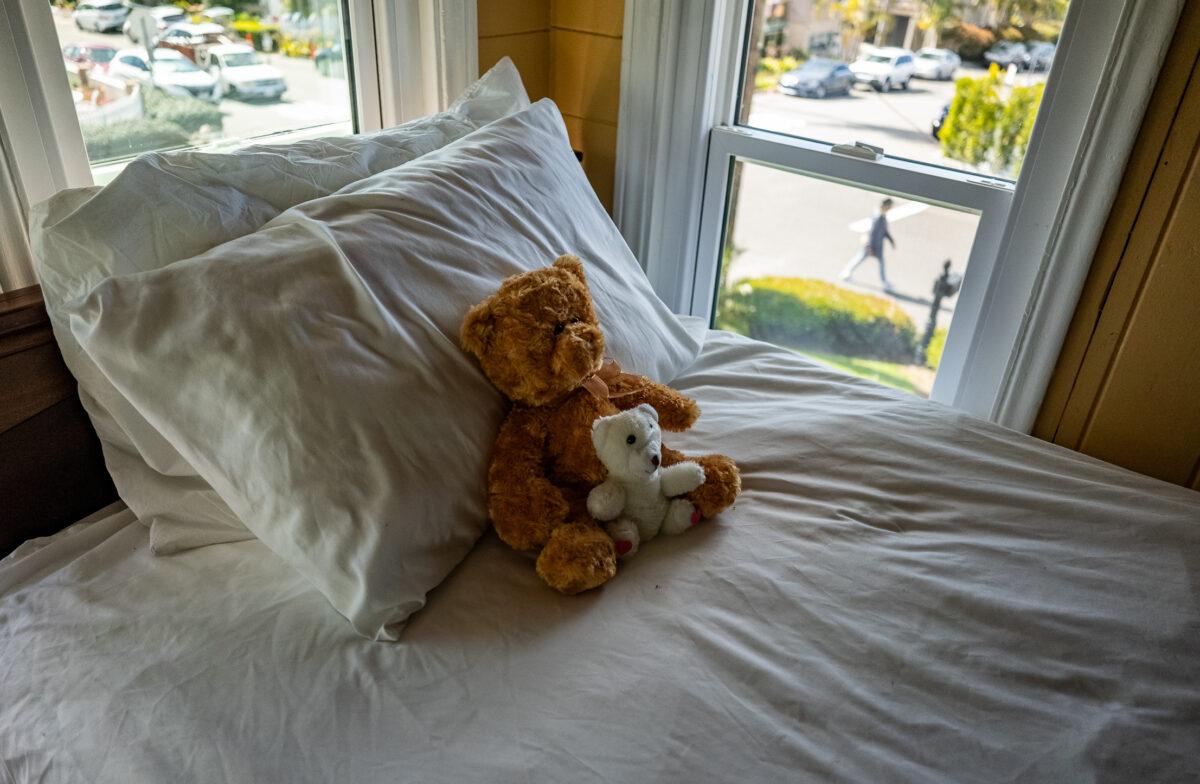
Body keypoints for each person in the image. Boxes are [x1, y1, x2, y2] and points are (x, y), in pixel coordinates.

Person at [840, 197, 897, 294]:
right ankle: (846, 272)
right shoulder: (878, 217)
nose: (891, 208)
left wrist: (891, 240)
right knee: (862, 258)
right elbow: (872, 233)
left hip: (877, 245)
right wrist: (870, 247)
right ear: (886, 206)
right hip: (872, 245)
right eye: (890, 206)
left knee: (868, 260)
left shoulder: (882, 216)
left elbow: (884, 231)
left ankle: (847, 271)